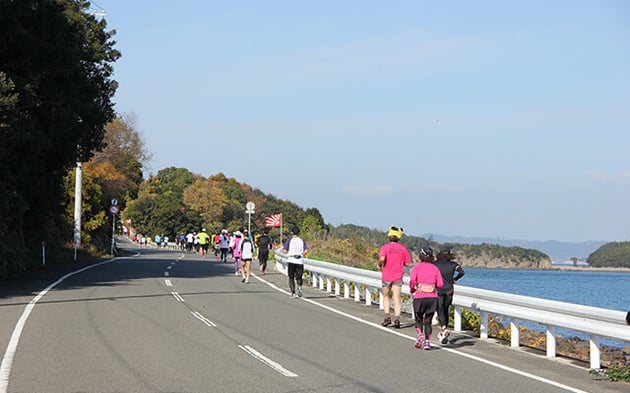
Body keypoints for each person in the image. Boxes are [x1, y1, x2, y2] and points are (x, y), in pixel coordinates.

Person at [409, 247, 444, 350]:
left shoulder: (417, 267)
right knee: (428, 321)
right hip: (432, 298)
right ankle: (427, 343)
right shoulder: (435, 268)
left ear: (420, 256)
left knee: (418, 319)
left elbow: (412, 281)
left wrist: (412, 290)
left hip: (420, 297)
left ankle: (420, 335)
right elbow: (440, 284)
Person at [377, 226, 411, 328]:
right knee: (397, 298)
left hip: (386, 275)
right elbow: (407, 263)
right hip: (397, 276)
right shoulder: (403, 249)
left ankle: (387, 317)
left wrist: (379, 265)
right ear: (398, 238)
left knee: (386, 296)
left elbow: (382, 258)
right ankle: (397, 318)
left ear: (389, 236)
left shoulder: (385, 247)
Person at [434, 246, 465, 344]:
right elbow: (462, 272)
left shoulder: (435, 264)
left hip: (438, 289)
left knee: (440, 309)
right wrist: (455, 279)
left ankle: (444, 329)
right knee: (446, 310)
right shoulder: (453, 264)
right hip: (449, 289)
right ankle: (444, 330)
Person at [282, 226, 309, 298]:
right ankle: (299, 287)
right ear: (298, 233)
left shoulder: (289, 240)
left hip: (291, 260)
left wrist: (286, 251)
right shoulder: (302, 241)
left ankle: (293, 293)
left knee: (291, 277)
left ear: (292, 233)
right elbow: (306, 250)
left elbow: (284, 251)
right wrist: (301, 254)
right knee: (299, 277)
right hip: (299, 260)